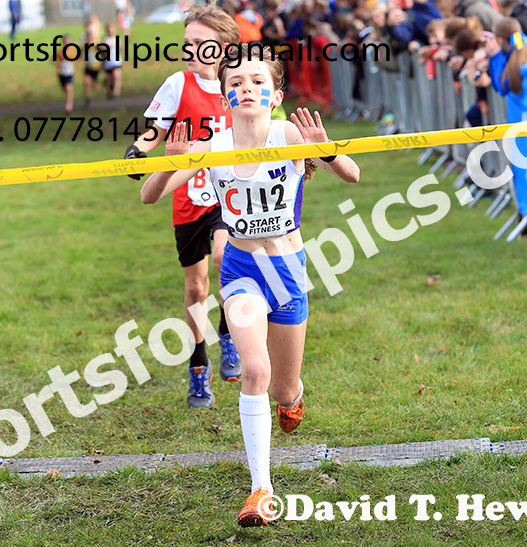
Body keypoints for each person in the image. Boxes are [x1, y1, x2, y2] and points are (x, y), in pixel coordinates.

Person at [141, 44, 360, 527]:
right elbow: (148, 194)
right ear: (223, 97)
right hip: (241, 269)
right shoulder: (213, 146)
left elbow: (353, 175)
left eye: (259, 82)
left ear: (276, 94)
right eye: (236, 82)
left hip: (287, 271)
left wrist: (325, 149)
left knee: (281, 388)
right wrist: (171, 160)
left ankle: (294, 395)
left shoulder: (288, 134)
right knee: (254, 372)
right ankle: (261, 490)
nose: (247, 88)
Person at [124, 2, 242, 408]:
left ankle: (228, 336)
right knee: (196, 286)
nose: (190, 50)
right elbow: (156, 130)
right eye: (187, 42)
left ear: (223, 47)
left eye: (199, 43)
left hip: (231, 194)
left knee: (227, 257)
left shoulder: (237, 84)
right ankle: (198, 364)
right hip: (188, 196)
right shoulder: (178, 84)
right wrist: (137, 154)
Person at [54, 34, 76, 114]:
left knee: (69, 88)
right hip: (62, 74)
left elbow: (77, 59)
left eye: (68, 41)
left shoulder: (72, 51)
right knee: (65, 90)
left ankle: (69, 106)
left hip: (70, 73)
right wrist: (57, 64)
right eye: (65, 41)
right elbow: (53, 59)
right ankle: (69, 103)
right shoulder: (60, 51)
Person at [103, 22, 122, 99]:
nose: (110, 30)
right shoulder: (105, 39)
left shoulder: (117, 38)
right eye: (109, 29)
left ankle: (116, 93)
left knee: (116, 76)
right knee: (109, 78)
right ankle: (110, 91)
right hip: (108, 62)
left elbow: (121, 48)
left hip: (116, 61)